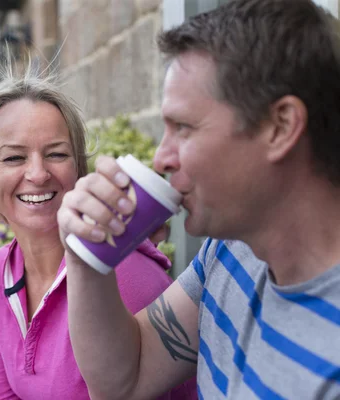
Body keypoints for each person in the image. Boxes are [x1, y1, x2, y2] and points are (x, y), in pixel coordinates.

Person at [57, 0, 340, 399]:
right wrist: (87, 259)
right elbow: (125, 380)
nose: (161, 157)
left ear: (281, 126)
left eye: (183, 128)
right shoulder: (230, 252)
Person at [0, 60, 197, 399]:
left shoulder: (120, 273)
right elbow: (0, 394)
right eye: (14, 158)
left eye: (56, 154)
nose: (38, 174)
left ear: (77, 170)